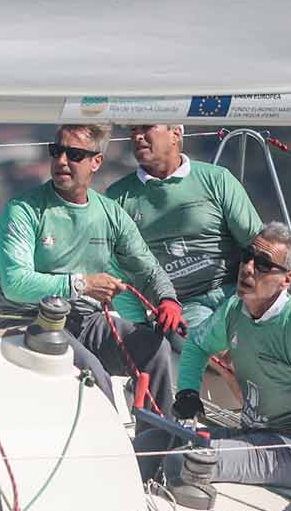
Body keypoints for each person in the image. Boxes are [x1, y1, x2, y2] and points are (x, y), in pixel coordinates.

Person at [135, 223, 291, 511]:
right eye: (247, 257)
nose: (248, 268)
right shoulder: (235, 309)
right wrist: (189, 392)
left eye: (263, 264)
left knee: (185, 462)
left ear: (287, 279)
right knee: (148, 445)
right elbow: (196, 347)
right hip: (254, 434)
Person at [0, 123, 183, 420]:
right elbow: (15, 284)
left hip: (86, 320)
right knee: (96, 374)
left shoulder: (110, 214)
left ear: (96, 161)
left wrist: (167, 299)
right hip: (30, 321)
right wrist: (82, 284)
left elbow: (147, 269)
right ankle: (110, 453)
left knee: (154, 349)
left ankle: (157, 449)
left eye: (74, 154)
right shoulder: (23, 209)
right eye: (56, 151)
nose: (61, 161)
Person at [106, 124, 263, 351]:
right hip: (182, 308)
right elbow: (118, 273)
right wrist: (140, 327)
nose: (137, 136)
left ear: (175, 134)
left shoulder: (217, 180)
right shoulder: (117, 198)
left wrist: (266, 296)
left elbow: (257, 244)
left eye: (147, 127)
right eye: (133, 131)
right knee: (213, 345)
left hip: (236, 293)